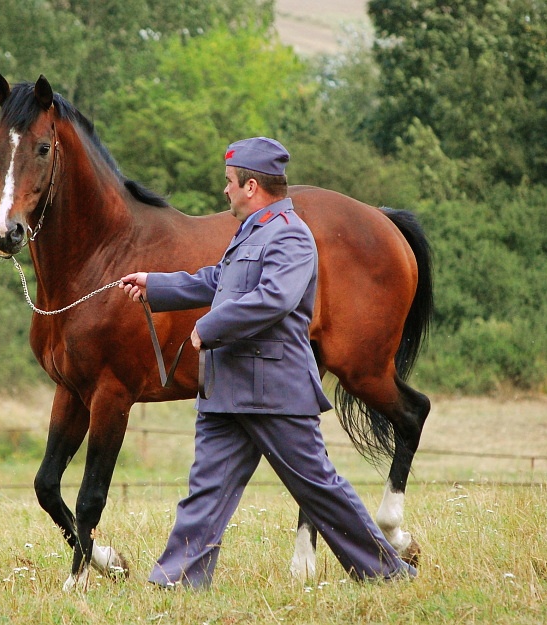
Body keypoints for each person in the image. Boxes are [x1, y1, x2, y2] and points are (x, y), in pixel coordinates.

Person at [119, 137, 417, 589]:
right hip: (227, 388)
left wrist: (209, 327)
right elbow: (218, 279)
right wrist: (155, 285)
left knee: (320, 490)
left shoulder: (293, 234)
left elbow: (273, 299)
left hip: (274, 390)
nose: (225, 191)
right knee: (206, 491)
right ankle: (176, 580)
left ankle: (388, 574)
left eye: (229, 183)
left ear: (252, 186)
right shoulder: (250, 230)